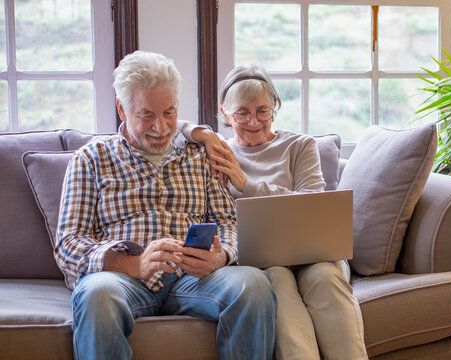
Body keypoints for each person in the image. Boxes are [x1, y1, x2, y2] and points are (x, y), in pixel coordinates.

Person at [54, 52, 277, 360]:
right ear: (122, 109)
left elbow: (229, 221)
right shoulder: (91, 159)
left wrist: (222, 255)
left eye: (169, 113)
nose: (160, 127)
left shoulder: (200, 155)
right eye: (146, 115)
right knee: (96, 296)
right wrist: (133, 264)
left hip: (195, 279)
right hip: (122, 280)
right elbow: (67, 244)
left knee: (254, 285)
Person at [180, 64, 368, 360]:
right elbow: (166, 121)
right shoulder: (216, 153)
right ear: (225, 114)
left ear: (275, 108)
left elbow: (311, 204)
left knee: (325, 280)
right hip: (260, 262)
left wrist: (245, 184)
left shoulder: (299, 145)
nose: (254, 121)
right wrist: (202, 133)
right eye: (242, 113)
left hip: (313, 253)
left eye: (263, 111)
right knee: (277, 281)